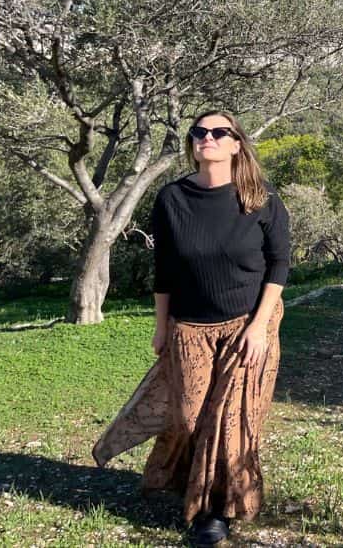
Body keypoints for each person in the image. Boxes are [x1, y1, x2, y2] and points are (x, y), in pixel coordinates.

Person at [93, 110, 291, 546]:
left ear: (237, 143)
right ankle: (184, 480)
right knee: (189, 416)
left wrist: (259, 328)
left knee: (233, 422)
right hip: (189, 327)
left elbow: (279, 265)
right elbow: (164, 269)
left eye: (220, 132)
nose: (208, 138)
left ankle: (213, 511)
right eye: (200, 132)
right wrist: (161, 328)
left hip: (247, 326)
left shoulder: (260, 198)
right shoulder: (172, 198)